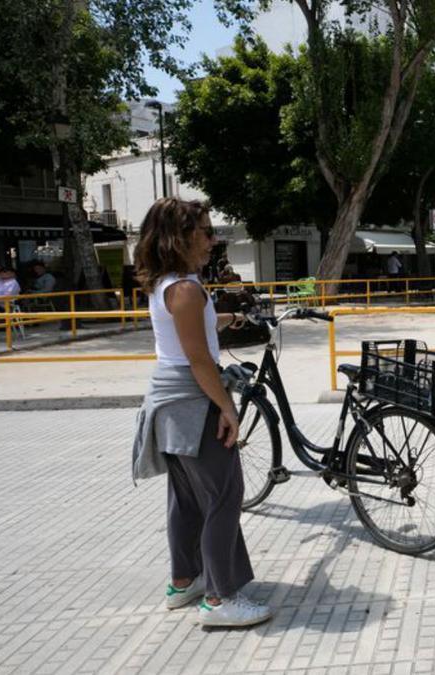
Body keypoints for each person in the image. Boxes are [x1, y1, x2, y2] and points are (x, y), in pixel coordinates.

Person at [130, 197, 272, 628]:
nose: (213, 240)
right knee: (224, 497)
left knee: (187, 500)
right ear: (180, 236)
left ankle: (184, 580)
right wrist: (226, 408)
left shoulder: (169, 284)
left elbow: (185, 336)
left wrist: (221, 318)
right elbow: (197, 360)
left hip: (169, 403)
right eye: (206, 231)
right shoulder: (187, 290)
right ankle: (219, 598)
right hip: (193, 402)